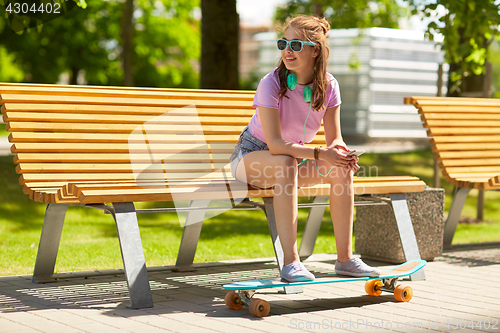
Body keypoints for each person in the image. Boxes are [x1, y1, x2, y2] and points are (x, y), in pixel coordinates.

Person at [229, 15, 380, 282]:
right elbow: (275, 145)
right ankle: (291, 263)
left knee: (340, 168)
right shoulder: (271, 83)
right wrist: (321, 154)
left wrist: (342, 154)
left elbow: (335, 138)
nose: (288, 50)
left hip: (292, 159)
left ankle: (345, 258)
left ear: (315, 50)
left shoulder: (329, 86)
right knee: (286, 163)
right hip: (250, 158)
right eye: (284, 43)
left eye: (296, 45)